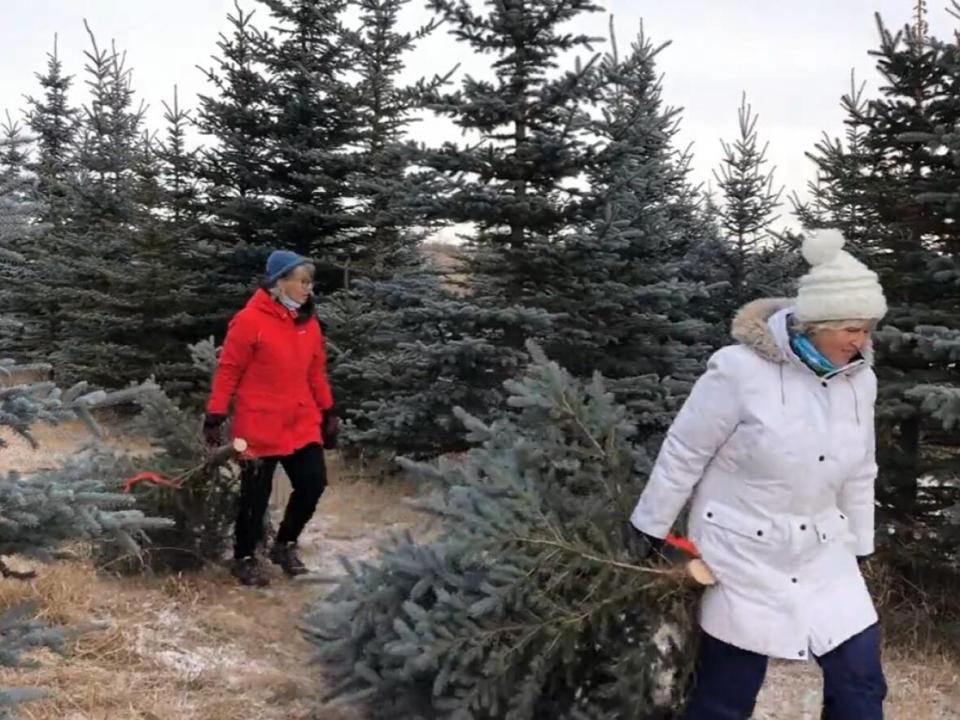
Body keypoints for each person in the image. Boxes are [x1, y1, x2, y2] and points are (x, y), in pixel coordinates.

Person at [630, 229, 888, 719]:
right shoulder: (738, 371)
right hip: (741, 553)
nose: (863, 341)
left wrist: (861, 543)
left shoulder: (861, 380)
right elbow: (685, 450)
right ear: (817, 324)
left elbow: (861, 469)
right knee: (727, 697)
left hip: (823, 553)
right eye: (852, 328)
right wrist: (650, 526)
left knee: (861, 684)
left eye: (868, 328)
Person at [203, 250, 337, 587]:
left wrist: (328, 411)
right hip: (258, 425)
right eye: (302, 282)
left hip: (300, 420)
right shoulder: (250, 320)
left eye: (310, 282)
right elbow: (229, 370)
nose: (309, 288)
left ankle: (284, 544)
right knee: (255, 495)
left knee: (313, 482)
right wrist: (215, 414)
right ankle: (244, 557)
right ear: (280, 283)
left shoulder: (308, 323)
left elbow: (316, 372)